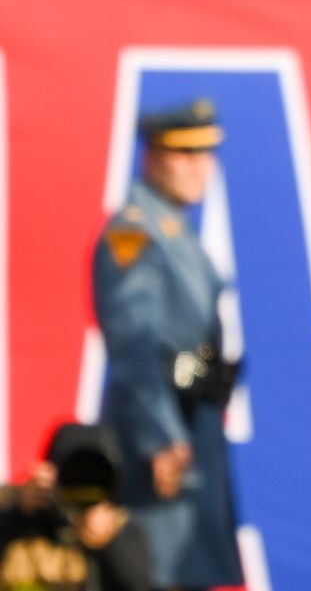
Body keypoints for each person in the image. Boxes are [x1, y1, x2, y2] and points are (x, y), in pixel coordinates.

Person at [91, 101, 243, 591]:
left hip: (192, 425)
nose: (202, 167)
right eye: (186, 154)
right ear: (152, 157)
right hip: (162, 442)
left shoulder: (173, 229)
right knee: (156, 572)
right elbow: (134, 347)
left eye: (207, 153)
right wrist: (159, 437)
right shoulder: (135, 233)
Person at [0, 423, 152, 591]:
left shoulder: (121, 530)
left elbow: (138, 585)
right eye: (73, 474)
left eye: (94, 478)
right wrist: (18, 514)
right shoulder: (19, 509)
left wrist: (108, 546)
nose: (82, 487)